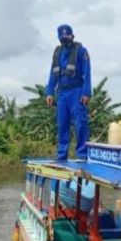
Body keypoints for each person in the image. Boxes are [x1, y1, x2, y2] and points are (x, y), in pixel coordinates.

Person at [45, 24, 91, 160]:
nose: (65, 39)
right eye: (62, 37)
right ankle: (61, 155)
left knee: (80, 123)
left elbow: (87, 73)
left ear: (72, 36)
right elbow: (53, 74)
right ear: (59, 38)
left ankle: (82, 154)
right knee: (62, 124)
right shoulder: (57, 52)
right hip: (62, 94)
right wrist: (49, 92)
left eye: (67, 36)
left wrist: (86, 93)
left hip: (77, 91)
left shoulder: (81, 51)